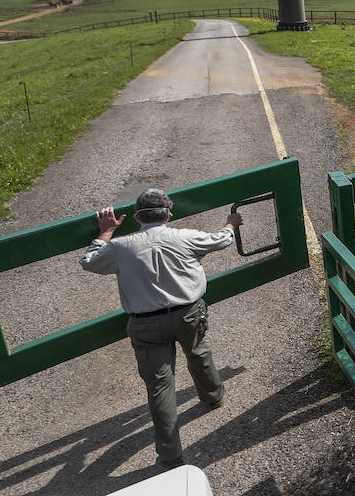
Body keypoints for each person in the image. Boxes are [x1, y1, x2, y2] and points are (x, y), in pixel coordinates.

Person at [80, 188, 243, 468]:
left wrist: (105, 231)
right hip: (188, 313)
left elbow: (89, 262)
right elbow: (223, 239)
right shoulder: (185, 236)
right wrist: (231, 223)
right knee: (198, 352)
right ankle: (213, 397)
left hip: (146, 324)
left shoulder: (121, 247)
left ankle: (170, 456)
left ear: (136, 217)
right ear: (169, 214)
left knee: (159, 387)